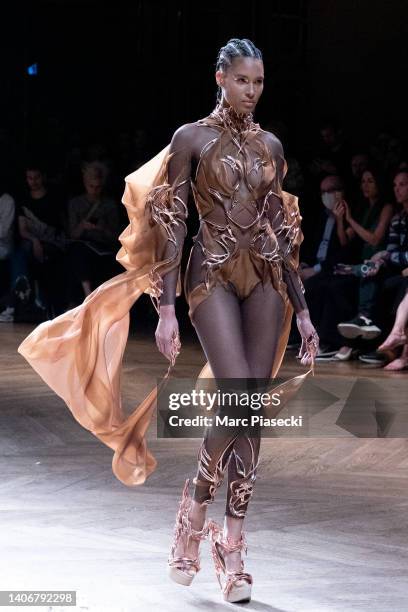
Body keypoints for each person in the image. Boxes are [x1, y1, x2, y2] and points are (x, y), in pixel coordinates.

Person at [17, 38, 319, 603]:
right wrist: (164, 306)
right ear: (220, 78)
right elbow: (175, 225)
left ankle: (230, 543)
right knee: (238, 393)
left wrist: (303, 312)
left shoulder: (271, 145)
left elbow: (281, 233)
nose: (252, 91)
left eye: (259, 81)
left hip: (268, 282)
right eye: (242, 80)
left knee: (250, 404)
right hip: (211, 276)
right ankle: (196, 511)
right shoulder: (191, 139)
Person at [333, 167, 393, 357]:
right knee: (338, 272)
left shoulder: (387, 207)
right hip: (363, 262)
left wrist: (350, 219)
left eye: (370, 181)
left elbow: (375, 239)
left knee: (367, 270)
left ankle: (363, 319)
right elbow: (344, 240)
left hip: (383, 262)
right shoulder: (363, 209)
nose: (365, 185)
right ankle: (349, 339)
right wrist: (341, 220)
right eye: (363, 181)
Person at [66, 161, 122, 299]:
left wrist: (101, 228)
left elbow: (116, 236)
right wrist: (83, 225)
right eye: (91, 186)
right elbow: (72, 235)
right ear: (85, 183)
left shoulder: (109, 205)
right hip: (83, 245)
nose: (94, 190)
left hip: (104, 246)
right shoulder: (75, 203)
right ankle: (88, 295)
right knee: (78, 252)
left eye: (98, 187)